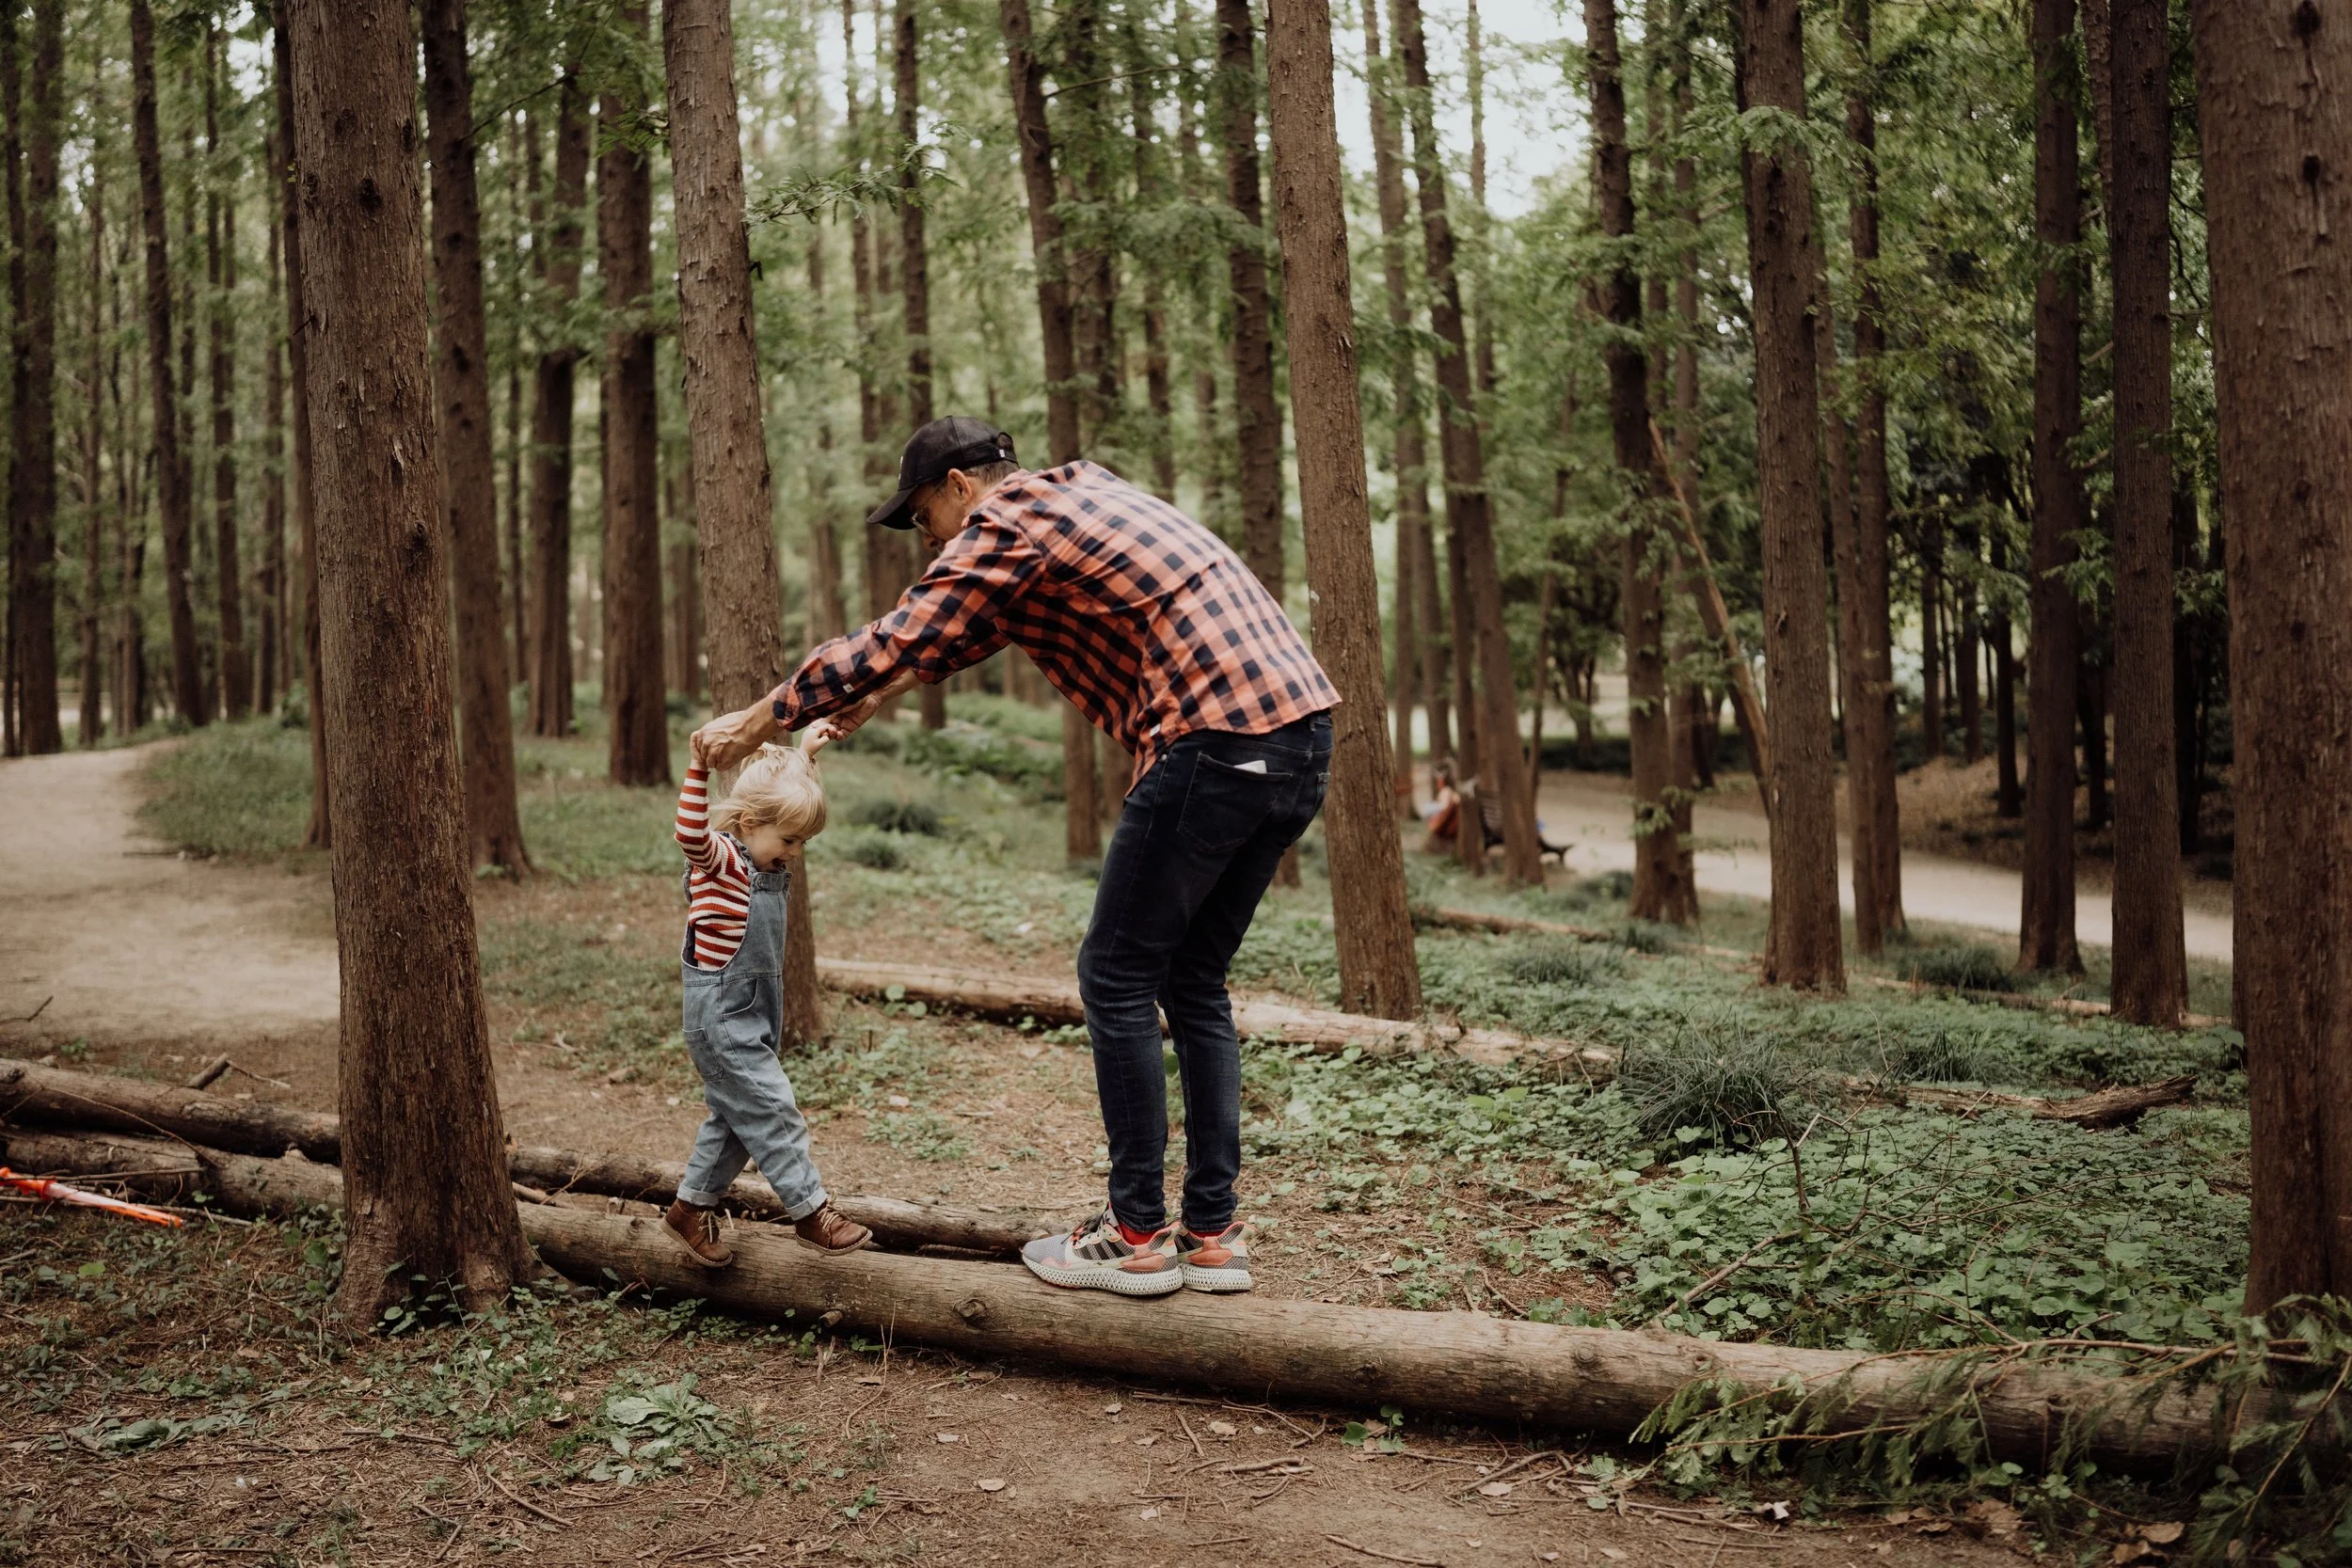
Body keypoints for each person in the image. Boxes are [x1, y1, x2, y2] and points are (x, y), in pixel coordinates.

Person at [696, 416, 1338, 1297]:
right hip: (1300, 737)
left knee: (1114, 975)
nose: (928, 544)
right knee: (1192, 981)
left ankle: (1137, 1234)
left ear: (961, 486)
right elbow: (963, 635)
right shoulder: (1081, 496)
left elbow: (905, 630)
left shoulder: (1006, 525)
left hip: (1213, 737)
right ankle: (1214, 1235)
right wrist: (874, 699)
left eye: (923, 520)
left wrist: (756, 719)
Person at [661, 736, 872, 1267]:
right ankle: (811, 1212)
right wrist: (697, 767)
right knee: (774, 1109)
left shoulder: (765, 862)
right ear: (750, 820)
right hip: (721, 1020)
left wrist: (804, 756)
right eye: (790, 840)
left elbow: (784, 798)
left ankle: (688, 1212)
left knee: (734, 1121)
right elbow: (689, 833)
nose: (795, 853)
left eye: (802, 842)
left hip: (751, 1017)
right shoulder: (725, 863)